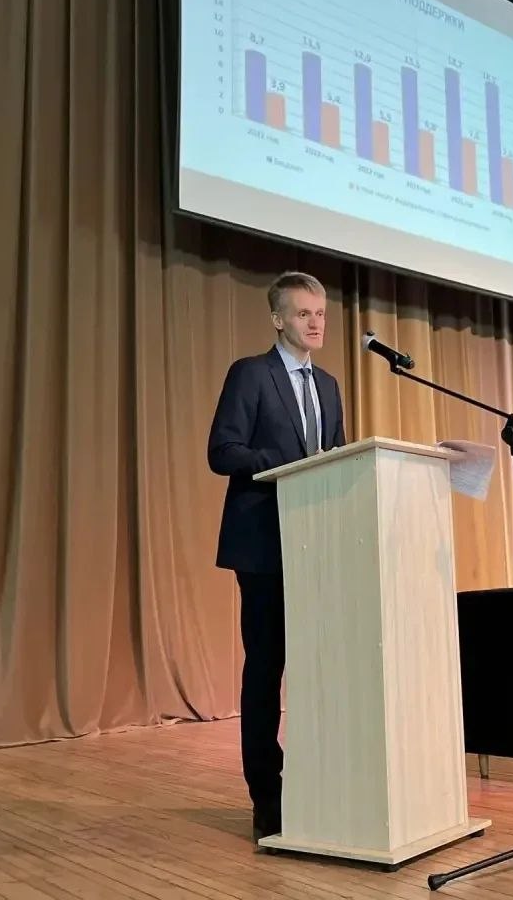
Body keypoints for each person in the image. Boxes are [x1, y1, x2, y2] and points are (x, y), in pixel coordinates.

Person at [207, 271, 346, 841]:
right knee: (267, 669)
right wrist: (278, 462)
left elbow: (337, 456)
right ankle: (267, 795)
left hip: (317, 546)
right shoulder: (251, 374)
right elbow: (222, 451)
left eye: (321, 313)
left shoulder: (329, 385)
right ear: (278, 319)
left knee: (318, 669)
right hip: (265, 546)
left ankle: (315, 783)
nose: (315, 323)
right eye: (304, 313)